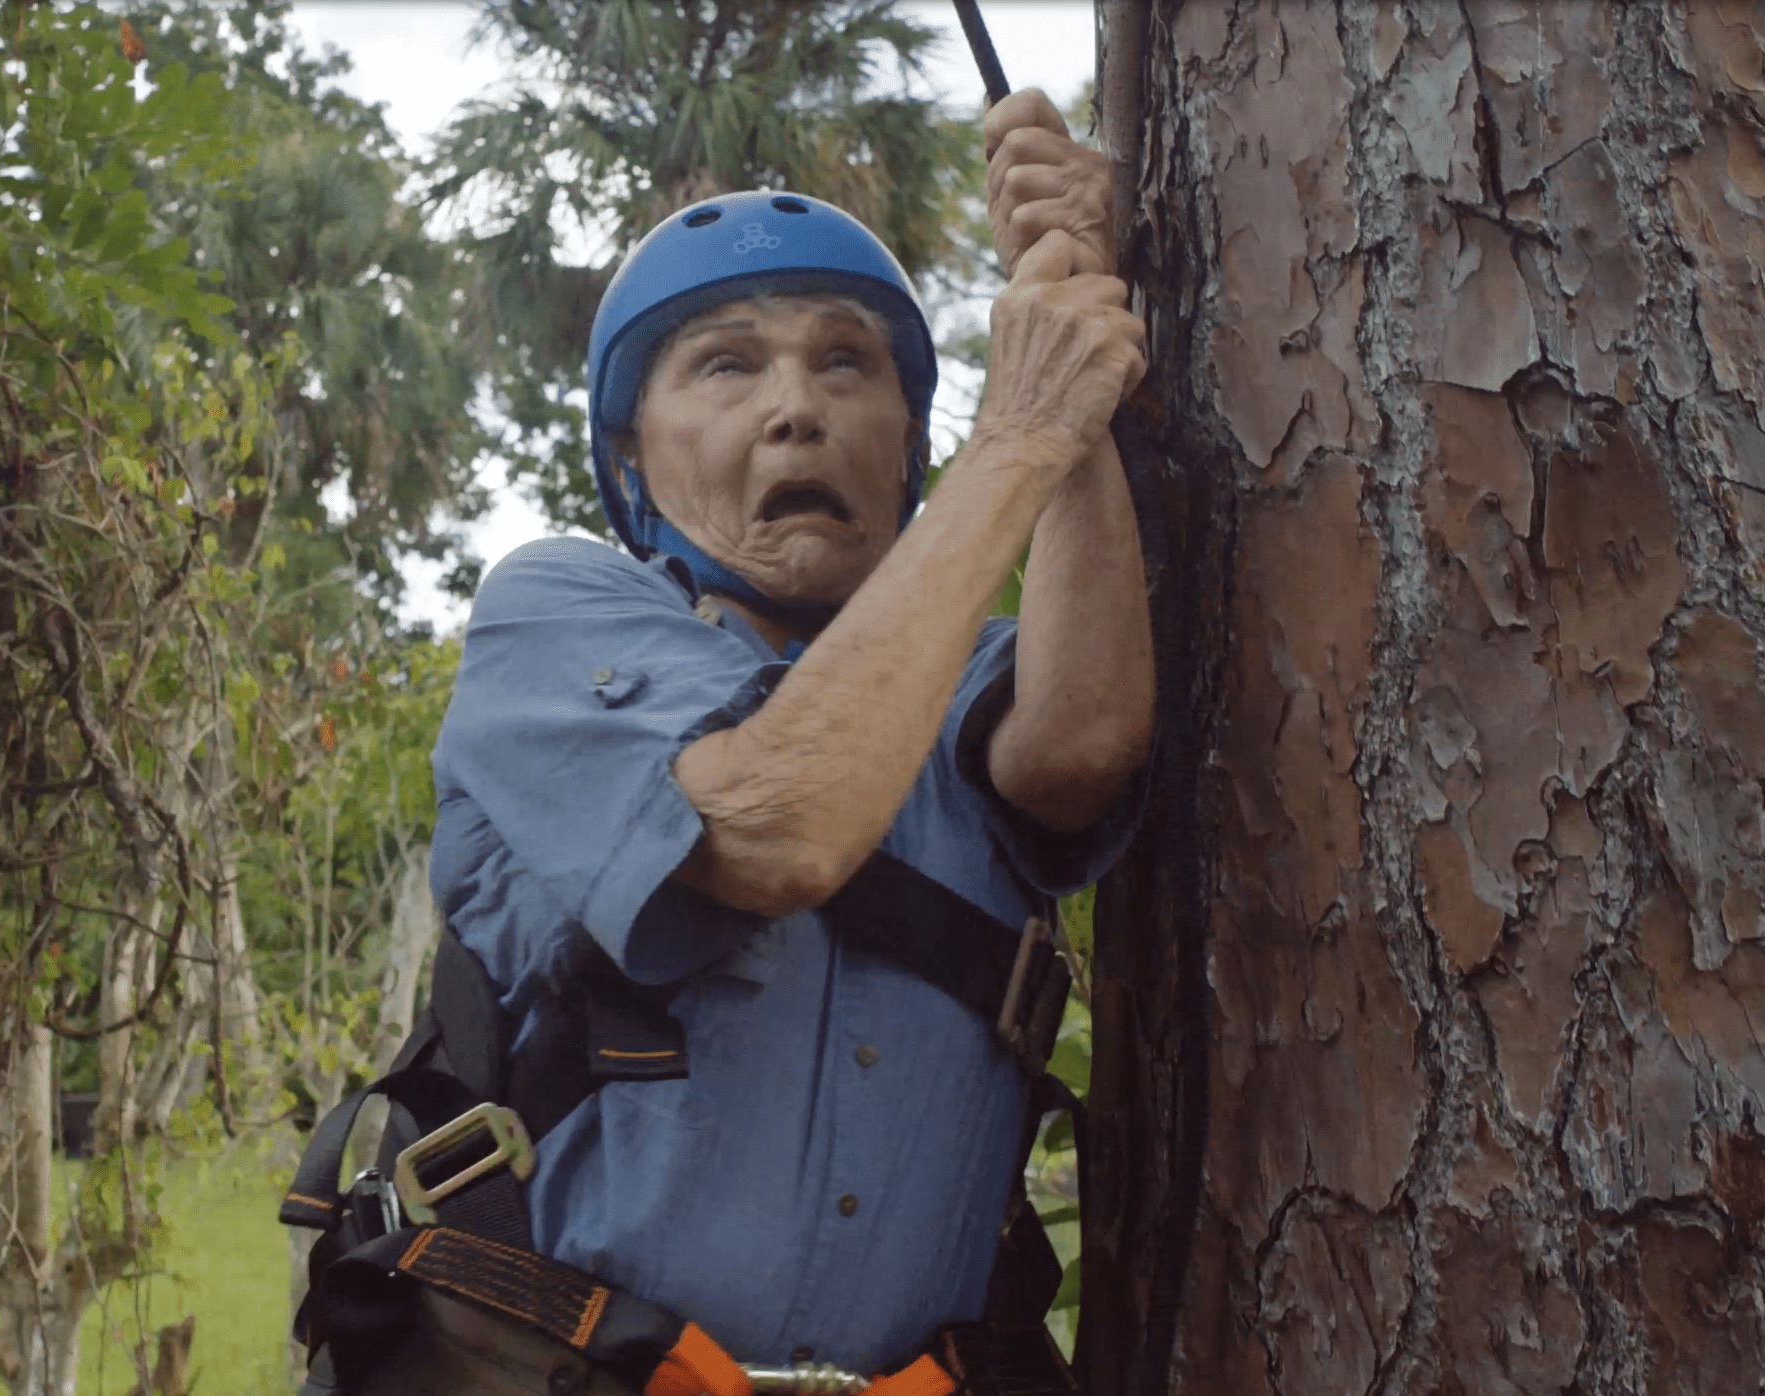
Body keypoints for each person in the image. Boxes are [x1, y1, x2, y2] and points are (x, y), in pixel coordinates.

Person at [284, 91, 1154, 1396]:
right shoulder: (554, 618)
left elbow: (1080, 747)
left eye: (847, 364)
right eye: (727, 364)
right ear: (631, 467)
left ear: (911, 447)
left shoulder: (974, 681)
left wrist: (1069, 314)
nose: (797, 407)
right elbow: (769, 828)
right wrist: (1020, 431)